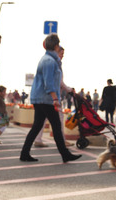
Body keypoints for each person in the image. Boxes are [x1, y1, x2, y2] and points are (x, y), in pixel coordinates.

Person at [19, 34, 81, 163]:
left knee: (37, 126)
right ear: (56, 46)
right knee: (56, 126)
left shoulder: (49, 59)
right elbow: (49, 82)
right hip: (45, 99)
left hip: (41, 98)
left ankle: (25, 153)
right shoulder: (49, 61)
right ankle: (65, 154)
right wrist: (55, 99)